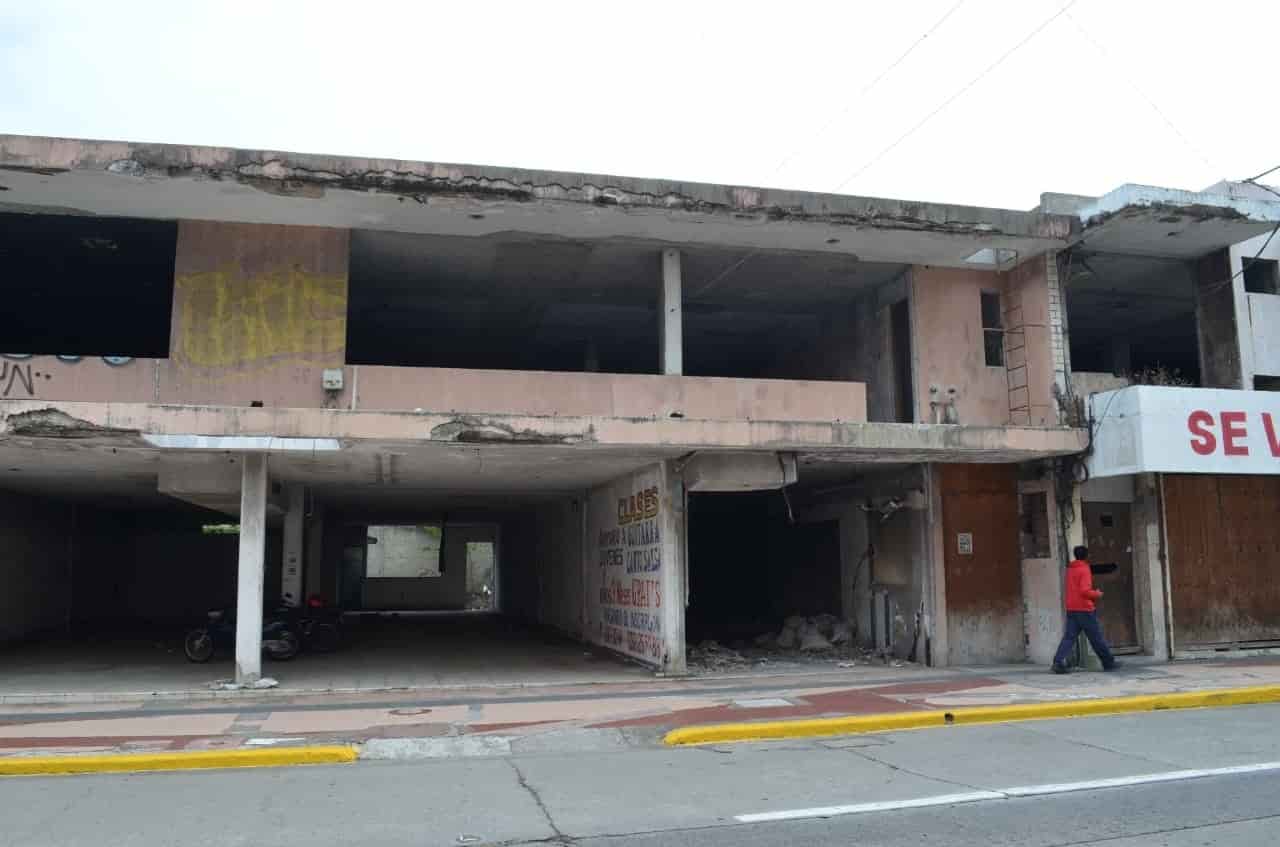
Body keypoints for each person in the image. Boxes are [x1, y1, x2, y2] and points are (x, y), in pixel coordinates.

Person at [1051, 545, 1120, 674]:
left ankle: (1058, 662)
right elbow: (1084, 591)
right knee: (1096, 637)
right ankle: (1108, 663)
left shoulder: (1070, 569)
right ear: (1086, 556)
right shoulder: (1084, 569)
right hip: (1085, 609)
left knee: (1069, 637)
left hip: (1072, 608)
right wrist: (1097, 594)